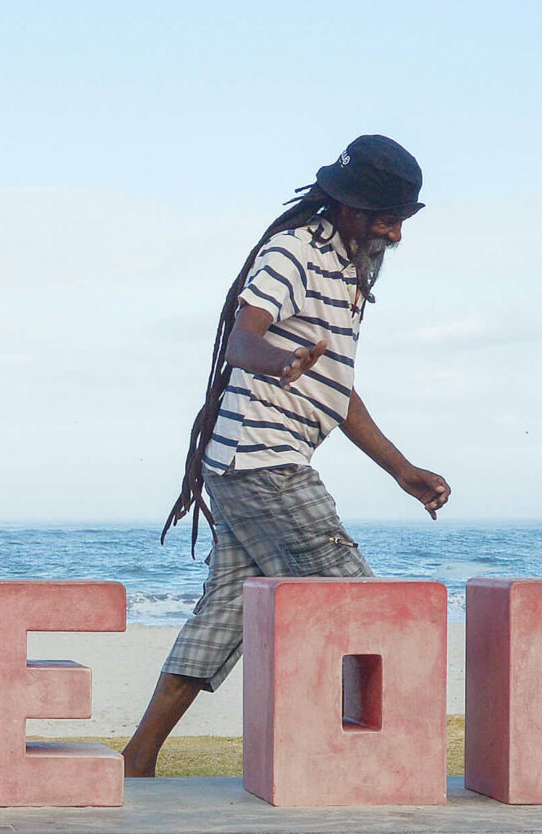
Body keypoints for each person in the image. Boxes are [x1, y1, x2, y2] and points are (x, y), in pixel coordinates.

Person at [122, 135, 452, 778]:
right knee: (363, 610)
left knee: (226, 613)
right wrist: (279, 361)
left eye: (403, 220)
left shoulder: (353, 269)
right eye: (386, 219)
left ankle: (137, 759)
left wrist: (402, 470)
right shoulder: (294, 251)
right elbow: (243, 342)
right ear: (348, 206)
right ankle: (373, 763)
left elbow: (336, 389)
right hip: (262, 461)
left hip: (240, 464)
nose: (397, 235)